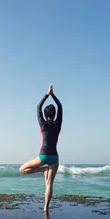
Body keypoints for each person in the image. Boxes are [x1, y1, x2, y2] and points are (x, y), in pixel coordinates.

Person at [19, 83, 63, 211]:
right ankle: (46, 208)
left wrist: (47, 94)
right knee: (49, 184)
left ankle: (42, 170)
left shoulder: (43, 124)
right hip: (54, 157)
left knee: (22, 169)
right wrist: (53, 95)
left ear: (45, 115)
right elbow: (60, 106)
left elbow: (38, 107)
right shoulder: (58, 124)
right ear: (54, 114)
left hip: (43, 156)